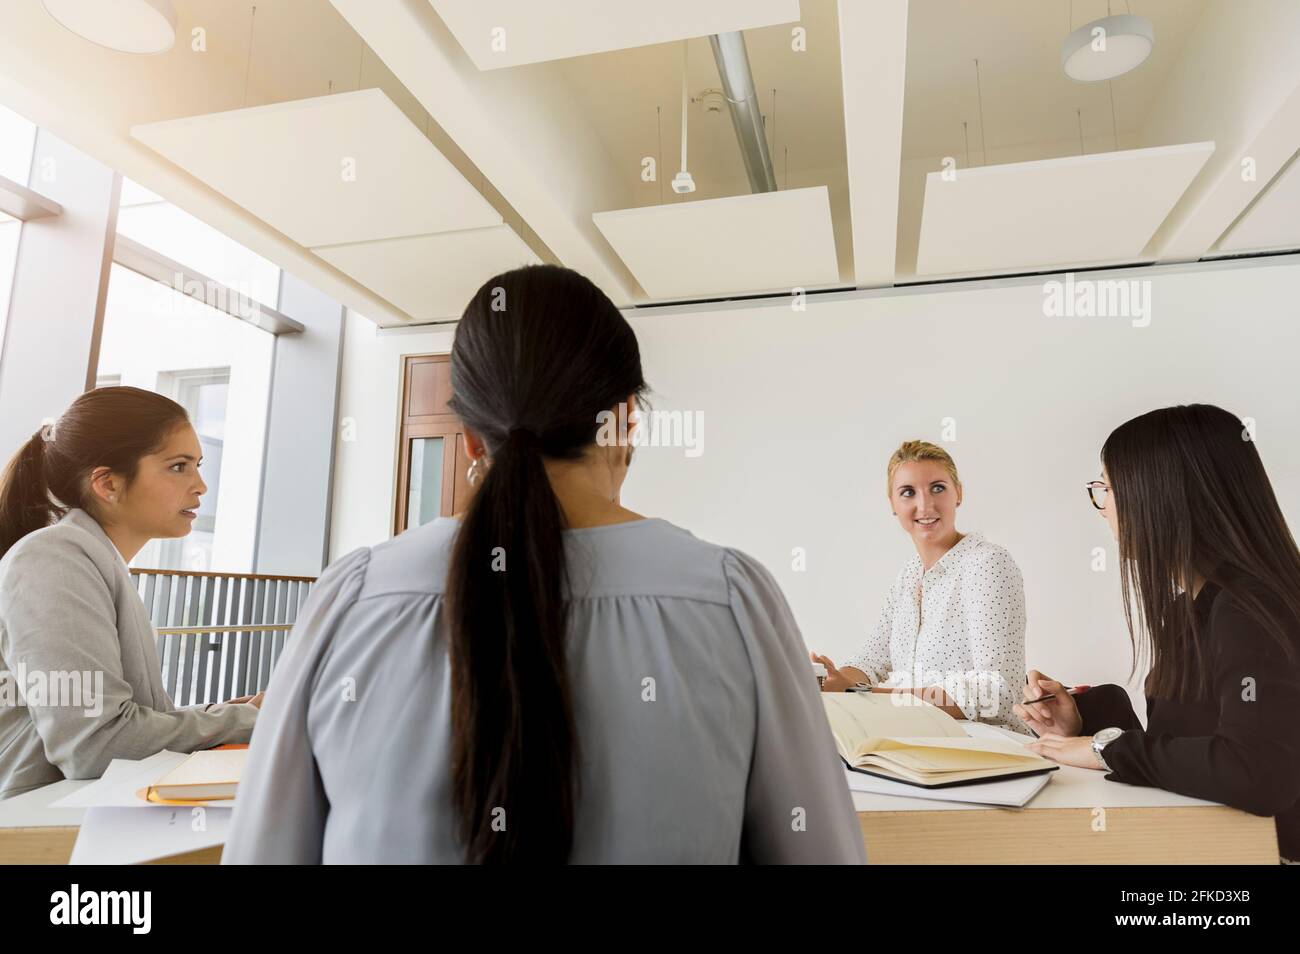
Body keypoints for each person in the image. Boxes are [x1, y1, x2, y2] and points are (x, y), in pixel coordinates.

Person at [225, 264, 864, 864]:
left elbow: (263, 850)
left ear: (470, 437)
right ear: (624, 423)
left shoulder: (354, 597)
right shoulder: (731, 598)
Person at [1017, 404, 1300, 864]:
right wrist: (1084, 725)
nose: (1102, 505)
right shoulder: (1192, 607)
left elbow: (1257, 773)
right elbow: (1191, 758)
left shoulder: (1249, 609)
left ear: (1162, 496)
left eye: (1106, 487)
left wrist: (1107, 748)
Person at [0, 387, 260, 798]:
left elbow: (125, 727)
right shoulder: (53, 559)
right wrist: (248, 719)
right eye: (178, 467)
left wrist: (234, 713)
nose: (200, 486)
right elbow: (97, 744)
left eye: (197, 465)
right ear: (107, 484)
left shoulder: (92, 560)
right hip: (36, 831)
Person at [811, 441, 1027, 727]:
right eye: (908, 492)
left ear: (958, 493)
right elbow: (872, 659)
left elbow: (995, 691)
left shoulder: (986, 563)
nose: (925, 505)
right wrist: (829, 680)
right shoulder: (909, 575)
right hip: (923, 744)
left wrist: (865, 695)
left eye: (938, 488)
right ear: (892, 503)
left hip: (993, 750)